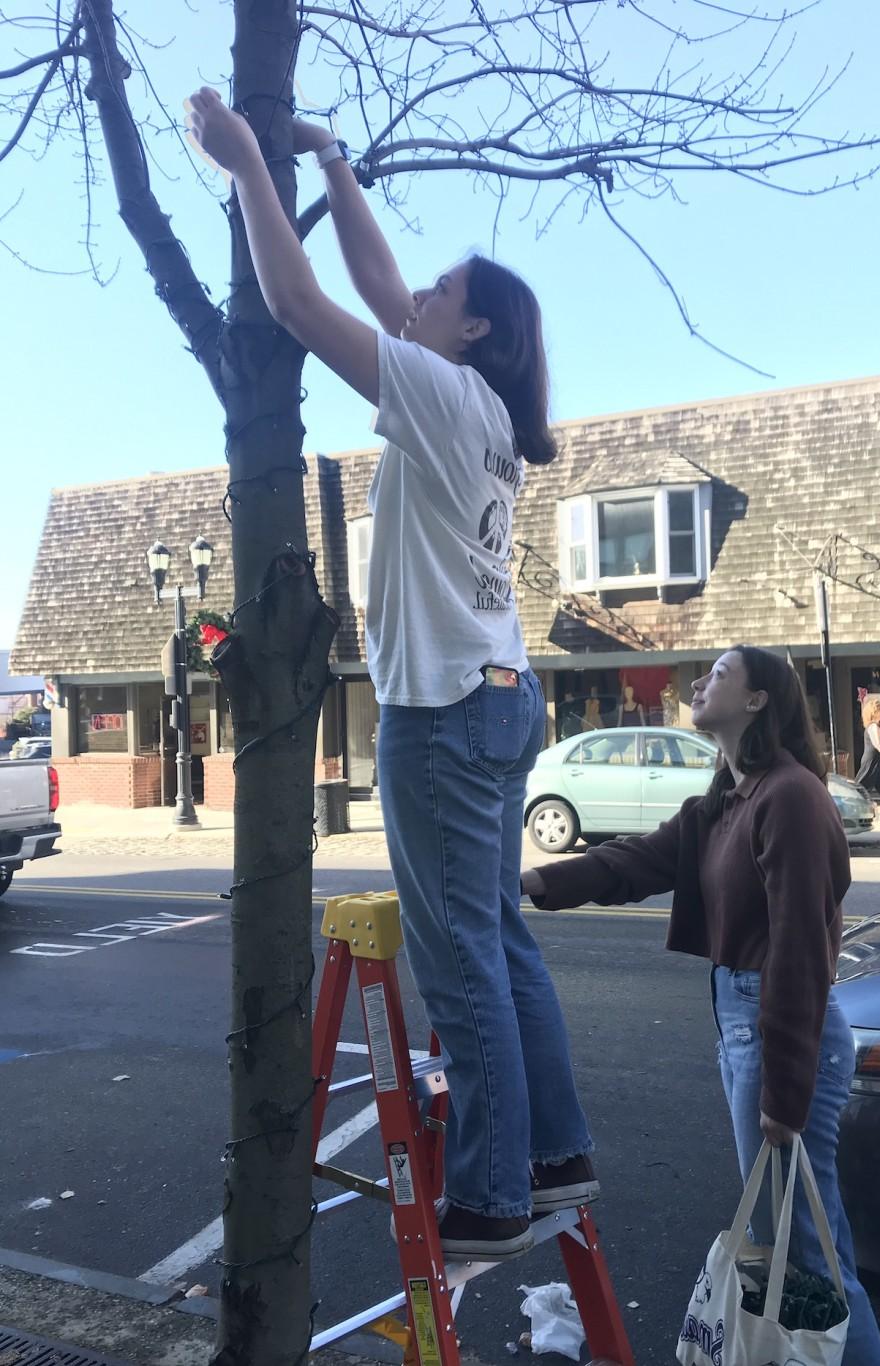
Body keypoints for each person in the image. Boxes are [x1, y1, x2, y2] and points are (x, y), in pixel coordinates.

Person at [187, 89, 596, 1261]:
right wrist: (331, 163)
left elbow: (300, 298)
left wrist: (244, 170)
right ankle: (555, 1155)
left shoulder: (440, 391)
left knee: (460, 951)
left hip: (449, 712)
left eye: (441, 295)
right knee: (499, 936)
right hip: (501, 696)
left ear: (470, 333)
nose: (416, 297)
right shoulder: (468, 400)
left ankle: (491, 1195)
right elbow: (373, 286)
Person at [521, 646, 880, 1366]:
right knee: (812, 1237)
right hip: (745, 1025)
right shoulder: (729, 797)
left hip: (780, 1028)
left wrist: (784, 1096)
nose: (700, 682)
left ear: (759, 700)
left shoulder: (789, 796)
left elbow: (800, 953)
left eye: (719, 673)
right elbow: (635, 860)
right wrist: (532, 882)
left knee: (808, 1251)